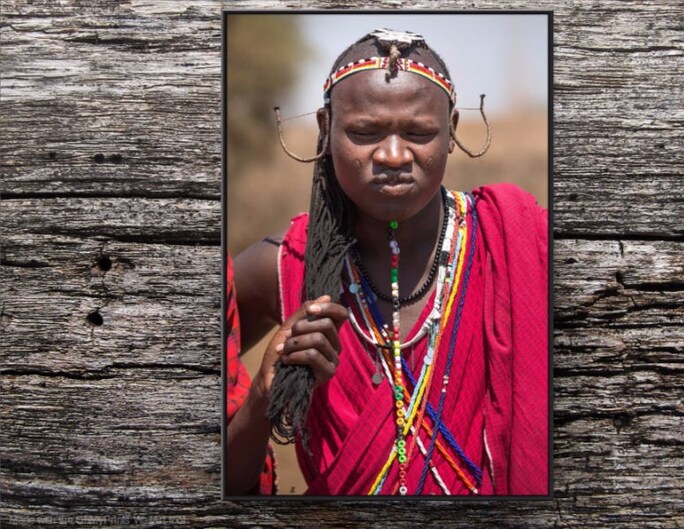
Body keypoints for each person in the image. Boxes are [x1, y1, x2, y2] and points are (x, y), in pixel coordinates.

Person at [226, 28, 548, 496]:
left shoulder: (517, 247)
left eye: (419, 133)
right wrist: (262, 396)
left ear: (453, 130)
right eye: (364, 132)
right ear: (324, 128)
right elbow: (216, 480)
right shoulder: (279, 266)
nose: (393, 156)